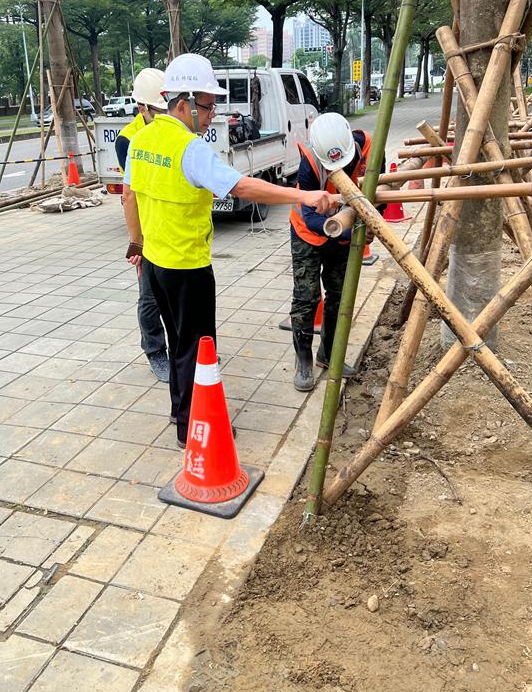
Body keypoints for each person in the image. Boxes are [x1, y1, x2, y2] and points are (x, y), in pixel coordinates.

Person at [123, 53, 334, 448]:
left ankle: (179, 412)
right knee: (197, 350)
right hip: (187, 268)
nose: (211, 114)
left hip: (154, 264)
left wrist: (137, 243)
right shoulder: (190, 149)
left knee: (177, 344)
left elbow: (130, 197)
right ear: (182, 104)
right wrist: (304, 194)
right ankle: (194, 429)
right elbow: (241, 187)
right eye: (207, 106)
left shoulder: (141, 140)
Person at [289, 112, 382, 392]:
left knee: (339, 296)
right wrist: (346, 229)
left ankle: (329, 354)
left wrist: (374, 220)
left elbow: (380, 192)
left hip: (343, 232)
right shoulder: (309, 162)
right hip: (309, 233)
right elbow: (310, 217)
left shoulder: (368, 149)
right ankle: (303, 360)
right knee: (307, 297)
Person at [117, 69, 170, 382]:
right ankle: (155, 351)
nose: (165, 116)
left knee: (179, 296)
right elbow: (131, 196)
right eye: (159, 111)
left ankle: (186, 347)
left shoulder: (170, 132)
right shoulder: (129, 141)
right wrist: (136, 242)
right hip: (148, 232)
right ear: (143, 109)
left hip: (172, 228)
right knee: (150, 297)